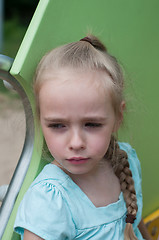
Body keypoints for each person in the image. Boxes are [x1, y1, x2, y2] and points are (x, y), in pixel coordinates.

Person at [14, 35, 151, 240]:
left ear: (117, 118)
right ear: (40, 121)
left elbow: (136, 223)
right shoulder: (50, 201)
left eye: (92, 124)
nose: (76, 143)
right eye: (58, 125)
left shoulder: (127, 160)